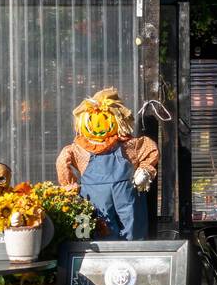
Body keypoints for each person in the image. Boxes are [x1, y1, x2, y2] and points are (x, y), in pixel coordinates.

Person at [55, 88, 158, 240]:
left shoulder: (127, 146)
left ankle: (134, 260)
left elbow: (150, 150)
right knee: (93, 233)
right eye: (92, 119)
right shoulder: (80, 149)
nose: (98, 124)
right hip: (93, 199)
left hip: (127, 198)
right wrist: (70, 186)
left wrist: (144, 170)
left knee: (132, 232)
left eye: (105, 117)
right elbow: (63, 160)